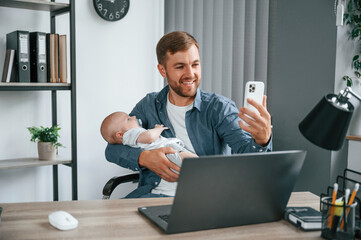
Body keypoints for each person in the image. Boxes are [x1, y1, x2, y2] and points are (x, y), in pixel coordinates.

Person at [105, 31, 273, 198]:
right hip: (152, 195)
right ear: (162, 70)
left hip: (203, 199)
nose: (190, 74)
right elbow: (112, 148)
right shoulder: (149, 105)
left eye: (195, 64)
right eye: (180, 66)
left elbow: (252, 160)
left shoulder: (219, 108)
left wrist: (262, 140)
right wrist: (144, 157)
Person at [101, 111, 198, 197]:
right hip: (168, 157)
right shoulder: (131, 133)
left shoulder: (131, 133)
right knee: (188, 160)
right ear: (120, 134)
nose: (134, 117)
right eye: (129, 119)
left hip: (185, 185)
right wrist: (144, 157)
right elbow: (111, 150)